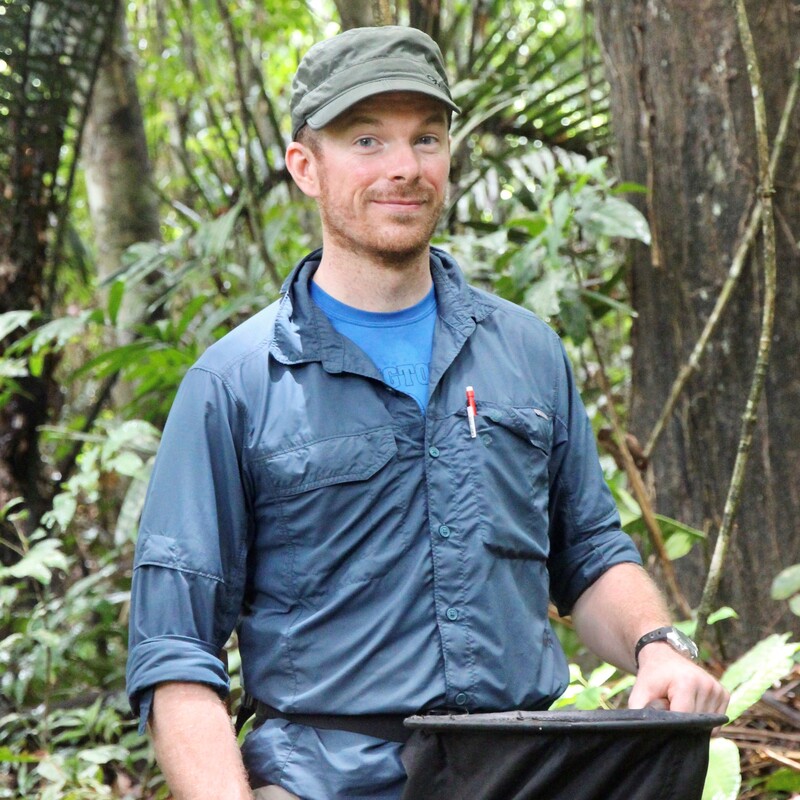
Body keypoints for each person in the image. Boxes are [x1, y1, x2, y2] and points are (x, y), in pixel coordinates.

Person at [126, 25, 729, 800]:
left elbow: (587, 556)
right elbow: (175, 653)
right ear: (305, 167)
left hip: (526, 769)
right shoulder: (234, 384)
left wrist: (660, 646)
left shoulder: (528, 351)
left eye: (427, 138)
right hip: (328, 780)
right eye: (368, 140)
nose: (405, 168)